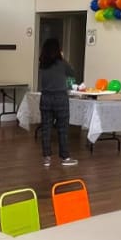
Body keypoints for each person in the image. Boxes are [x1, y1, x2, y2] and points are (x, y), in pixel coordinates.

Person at [38, 38, 78, 167]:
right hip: (60, 97)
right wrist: (62, 58)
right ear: (58, 50)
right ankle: (65, 158)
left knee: (46, 128)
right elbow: (72, 73)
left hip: (45, 97)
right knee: (63, 128)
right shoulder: (62, 63)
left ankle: (46, 158)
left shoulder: (42, 63)